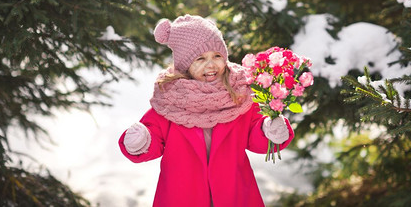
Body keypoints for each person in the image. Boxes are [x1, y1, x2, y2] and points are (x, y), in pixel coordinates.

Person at [118, 14, 294, 207]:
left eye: (217, 56)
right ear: (184, 66)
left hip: (233, 194)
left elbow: (255, 135)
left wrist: (269, 130)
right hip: (183, 195)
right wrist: (141, 140)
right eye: (200, 59)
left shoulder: (238, 92)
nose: (211, 65)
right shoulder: (171, 100)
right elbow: (153, 137)